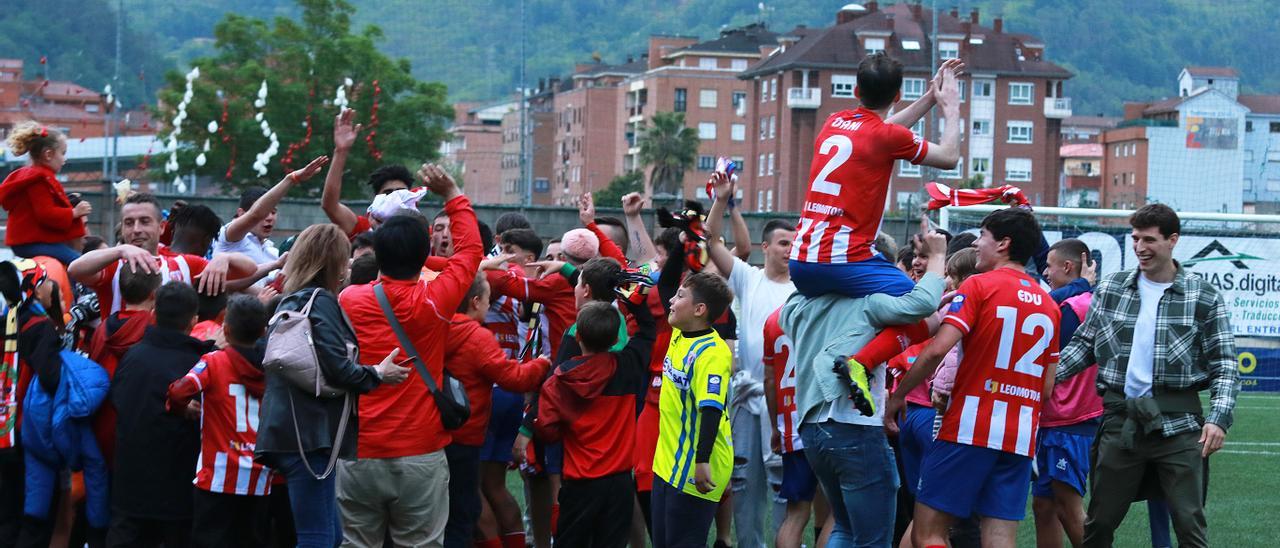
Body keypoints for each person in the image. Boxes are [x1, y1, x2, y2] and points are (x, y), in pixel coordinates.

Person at [1056, 203, 1239, 548]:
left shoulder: (1204, 296)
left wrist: (1218, 419)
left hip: (1181, 426)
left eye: (1150, 239)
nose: (1140, 247)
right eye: (1136, 238)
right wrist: (1044, 381)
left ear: (1172, 240)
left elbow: (1225, 364)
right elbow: (1083, 346)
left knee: (1190, 527)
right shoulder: (1111, 289)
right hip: (1119, 424)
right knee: (1099, 524)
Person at [884, 208, 1059, 548]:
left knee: (928, 532)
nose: (977, 243)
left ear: (1004, 244)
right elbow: (1047, 387)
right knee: (998, 536)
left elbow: (935, 351)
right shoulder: (1047, 303)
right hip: (1020, 432)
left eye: (983, 236)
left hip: (970, 425)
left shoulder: (980, 285)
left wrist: (897, 396)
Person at [336, 164, 481, 547]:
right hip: (420, 451)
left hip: (359, 450)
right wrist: (452, 194)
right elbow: (470, 253)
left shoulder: (349, 300)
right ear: (426, 255)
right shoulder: (436, 300)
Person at [778, 229, 946, 547]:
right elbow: (925, 307)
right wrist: (937, 256)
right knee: (872, 539)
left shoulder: (799, 305)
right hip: (853, 426)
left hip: (812, 429)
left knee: (844, 527)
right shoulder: (869, 303)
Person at [255, 223, 408, 548]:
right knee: (318, 537)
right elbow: (336, 368)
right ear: (333, 262)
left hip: (290, 430)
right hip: (309, 435)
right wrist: (377, 374)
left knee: (331, 534)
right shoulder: (319, 301)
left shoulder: (290, 300)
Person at [703, 172, 795, 548]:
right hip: (745, 396)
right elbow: (708, 241)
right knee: (742, 479)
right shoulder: (748, 278)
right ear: (765, 246)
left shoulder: (805, 286)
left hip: (787, 399)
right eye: (784, 243)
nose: (791, 249)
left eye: (796, 243)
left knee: (782, 482)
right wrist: (722, 200)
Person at [528, 291, 655, 548]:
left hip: (579, 482)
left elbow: (547, 431)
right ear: (615, 338)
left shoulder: (558, 381)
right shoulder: (627, 365)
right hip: (618, 484)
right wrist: (632, 299)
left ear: (577, 336)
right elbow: (647, 331)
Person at [444, 273, 551, 548]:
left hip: (455, 429)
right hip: (478, 422)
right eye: (488, 299)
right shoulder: (477, 335)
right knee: (485, 491)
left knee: (470, 498)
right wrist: (541, 363)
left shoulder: (438, 329)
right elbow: (514, 378)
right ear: (476, 301)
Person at [107, 282, 213, 547]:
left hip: (129, 488)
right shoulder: (202, 365)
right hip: (180, 491)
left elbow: (118, 401)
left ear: (153, 312)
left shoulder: (132, 357)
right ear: (193, 321)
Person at [165, 295, 274, 548]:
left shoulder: (214, 362)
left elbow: (179, 391)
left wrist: (182, 409)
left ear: (225, 329)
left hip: (217, 476)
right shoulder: (274, 368)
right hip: (260, 476)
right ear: (263, 331)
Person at [68, 193, 257, 319]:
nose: (136, 230)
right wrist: (120, 250)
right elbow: (75, 270)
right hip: (120, 371)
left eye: (144, 222)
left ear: (161, 227)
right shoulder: (114, 264)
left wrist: (224, 258)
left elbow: (249, 269)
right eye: (129, 223)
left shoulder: (181, 263)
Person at [651, 272, 735, 548]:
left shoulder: (713, 353)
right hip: (667, 463)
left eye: (681, 297)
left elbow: (711, 410)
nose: (672, 302)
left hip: (695, 466)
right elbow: (663, 286)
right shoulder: (680, 332)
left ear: (700, 310)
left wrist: (702, 461)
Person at [1032, 238, 1101, 548]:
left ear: (1068, 267)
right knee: (1044, 506)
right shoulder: (1075, 302)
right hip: (1055, 419)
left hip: (1069, 420)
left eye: (1049, 266)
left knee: (1068, 507)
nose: (1045, 272)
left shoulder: (1071, 307)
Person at [762, 307, 831, 548]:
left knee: (795, 515)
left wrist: (774, 426)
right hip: (826, 422)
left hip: (791, 426)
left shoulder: (774, 319)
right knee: (838, 513)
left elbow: (769, 380)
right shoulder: (827, 311)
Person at [88, 266, 160, 466]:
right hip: (139, 425)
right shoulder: (155, 327)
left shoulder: (103, 328)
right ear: (154, 294)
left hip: (101, 420)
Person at [0, 122, 90, 265]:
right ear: (48, 155)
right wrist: (74, 213)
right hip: (31, 242)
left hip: (26, 241)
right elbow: (46, 214)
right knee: (76, 262)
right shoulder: (38, 180)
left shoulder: (32, 176)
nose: (64, 159)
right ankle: (78, 288)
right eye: (63, 153)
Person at [320, 109, 413, 239]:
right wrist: (341, 151)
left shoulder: (427, 234)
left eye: (401, 192)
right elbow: (330, 205)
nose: (395, 198)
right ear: (376, 200)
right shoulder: (364, 230)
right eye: (388, 193)